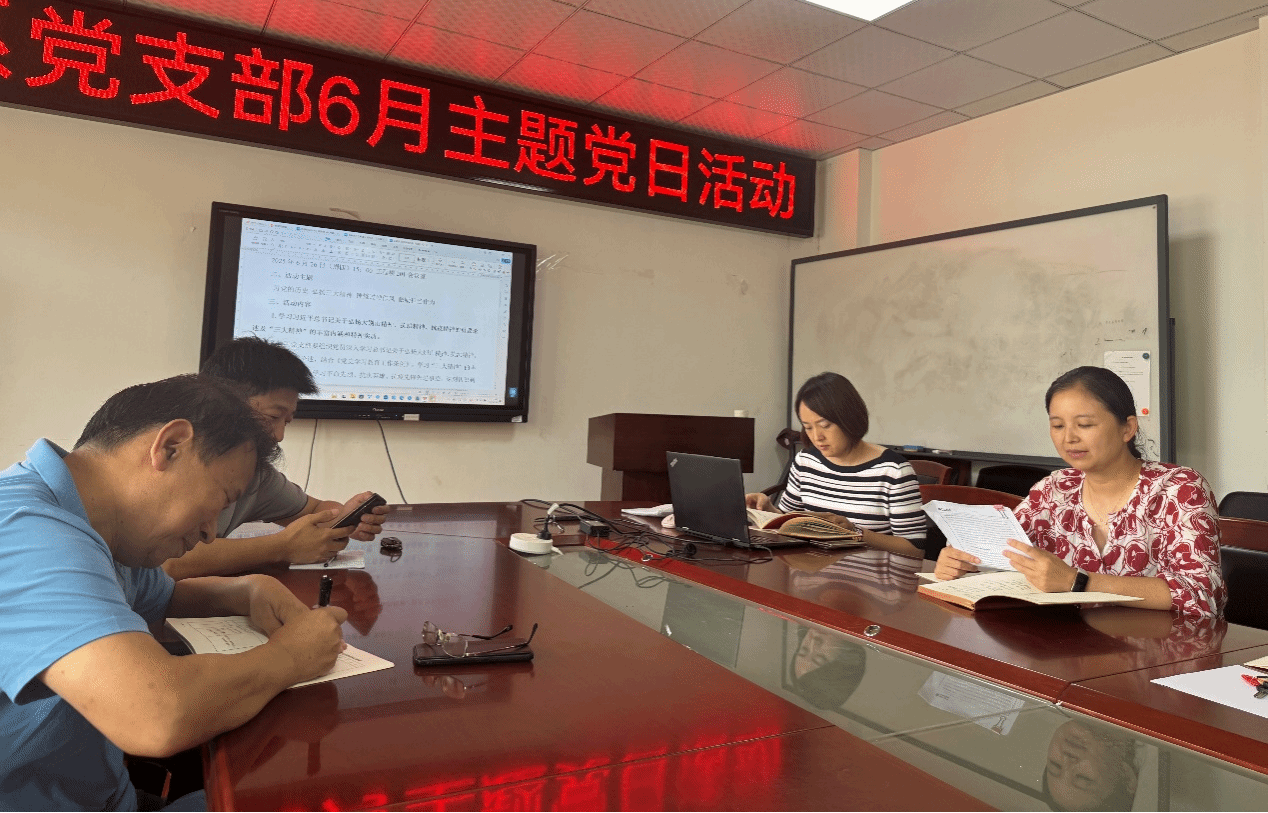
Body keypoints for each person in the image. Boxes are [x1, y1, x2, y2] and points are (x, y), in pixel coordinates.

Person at [0, 375, 349, 811]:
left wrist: (247, 590)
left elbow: (163, 597)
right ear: (171, 446)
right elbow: (155, 716)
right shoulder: (26, 530)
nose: (210, 533)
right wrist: (291, 656)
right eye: (221, 500)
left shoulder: (100, 529)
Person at [934, 366, 1224, 619]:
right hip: (1069, 646)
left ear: (1127, 428)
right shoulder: (1055, 488)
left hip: (1165, 651)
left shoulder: (1179, 489)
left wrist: (1078, 582)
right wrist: (965, 564)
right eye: (1058, 425)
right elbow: (1005, 556)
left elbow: (1201, 594)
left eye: (1084, 425)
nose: (1069, 438)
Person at [164, 337, 390, 579]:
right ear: (220, 402)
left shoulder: (255, 476)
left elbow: (313, 509)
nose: (279, 436)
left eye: (287, 422)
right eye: (272, 417)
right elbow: (167, 561)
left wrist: (346, 517)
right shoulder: (170, 463)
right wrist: (282, 547)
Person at [746, 372, 924, 557]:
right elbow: (787, 519)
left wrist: (856, 533)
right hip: (809, 569)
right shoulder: (806, 461)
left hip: (865, 573)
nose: (817, 437)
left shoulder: (893, 470)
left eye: (825, 425)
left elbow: (915, 548)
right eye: (808, 427)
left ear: (849, 418)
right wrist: (768, 510)